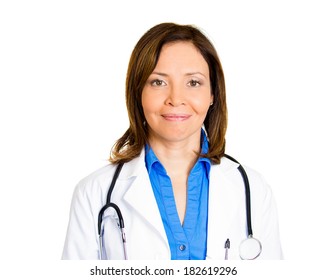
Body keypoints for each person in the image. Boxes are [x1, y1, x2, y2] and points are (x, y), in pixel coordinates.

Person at [62, 22, 283, 260]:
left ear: (212, 95)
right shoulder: (93, 193)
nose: (176, 98)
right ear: (138, 92)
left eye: (193, 83)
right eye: (158, 82)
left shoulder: (253, 190)